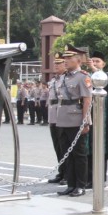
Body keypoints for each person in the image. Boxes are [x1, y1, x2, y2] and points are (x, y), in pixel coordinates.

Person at [56, 45, 92, 197]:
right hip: (63, 119)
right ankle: (71, 184)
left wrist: (85, 121)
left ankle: (80, 185)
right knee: (67, 154)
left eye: (69, 58)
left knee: (79, 154)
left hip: (76, 119)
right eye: (65, 58)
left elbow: (87, 100)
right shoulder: (64, 77)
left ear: (78, 60)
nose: (65, 61)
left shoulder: (83, 77)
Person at [86, 51, 108, 185]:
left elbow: (107, 83)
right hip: (90, 117)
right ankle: (88, 178)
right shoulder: (87, 77)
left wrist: (94, 70)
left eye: (97, 61)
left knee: (102, 149)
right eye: (92, 61)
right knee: (88, 149)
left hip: (103, 118)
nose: (94, 63)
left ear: (103, 64)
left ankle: (100, 178)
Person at [46, 53, 66, 184]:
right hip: (53, 115)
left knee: (65, 147)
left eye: (59, 63)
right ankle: (62, 171)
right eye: (55, 63)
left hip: (63, 116)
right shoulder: (53, 80)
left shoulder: (67, 79)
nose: (56, 65)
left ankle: (68, 174)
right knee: (57, 146)